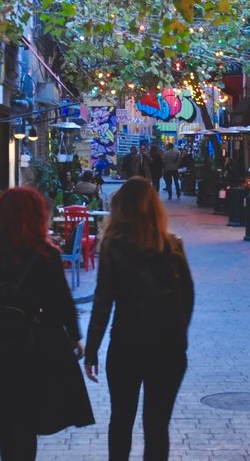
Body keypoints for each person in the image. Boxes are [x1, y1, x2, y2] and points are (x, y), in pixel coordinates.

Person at [0, 186, 94, 459]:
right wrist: (75, 337)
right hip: (34, 343)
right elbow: (63, 301)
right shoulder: (45, 255)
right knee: (27, 414)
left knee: (7, 414)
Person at [85, 178, 195, 461]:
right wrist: (178, 339)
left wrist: (92, 349)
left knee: (121, 421)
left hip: (126, 346)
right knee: (157, 427)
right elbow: (187, 298)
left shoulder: (113, 247)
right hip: (167, 351)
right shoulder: (172, 246)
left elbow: (102, 302)